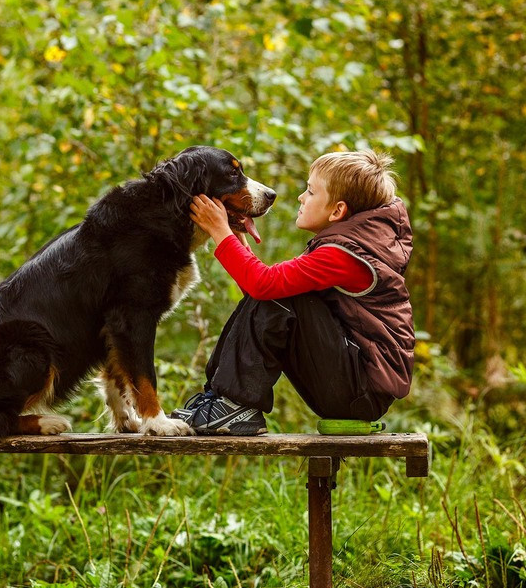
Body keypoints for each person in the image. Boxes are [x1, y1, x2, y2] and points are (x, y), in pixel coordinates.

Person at [170, 150, 415, 435]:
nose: (301, 197)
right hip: (353, 384)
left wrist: (220, 232)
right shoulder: (351, 244)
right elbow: (263, 291)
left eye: (310, 192)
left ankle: (233, 406)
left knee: (282, 291)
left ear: (337, 211)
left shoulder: (346, 255)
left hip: (359, 390)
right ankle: (223, 401)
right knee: (279, 289)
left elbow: (266, 286)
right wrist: (236, 242)